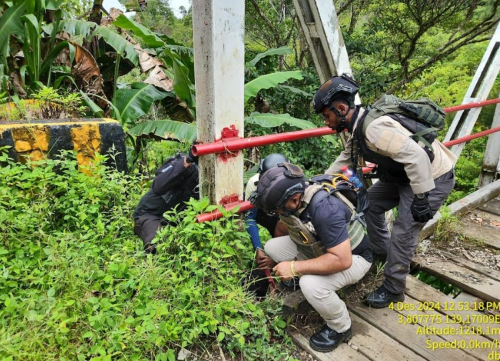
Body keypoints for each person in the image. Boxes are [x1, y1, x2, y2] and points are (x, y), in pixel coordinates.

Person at [313, 74, 456, 308]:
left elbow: (418, 157)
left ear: (340, 108)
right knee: (369, 204)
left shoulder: (374, 128)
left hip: (432, 176)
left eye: (327, 116)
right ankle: (383, 252)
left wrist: (421, 197)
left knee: (404, 230)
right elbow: (344, 160)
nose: (327, 123)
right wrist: (317, 183)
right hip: (404, 175)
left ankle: (393, 288)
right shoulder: (358, 127)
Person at [250, 162, 372, 352]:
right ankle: (306, 276)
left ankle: (340, 327)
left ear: (294, 200)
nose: (277, 214)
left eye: (277, 210)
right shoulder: (295, 200)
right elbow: (285, 227)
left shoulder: (325, 209)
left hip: (354, 258)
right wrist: (278, 261)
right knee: (272, 247)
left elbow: (342, 260)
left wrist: (292, 268)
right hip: (322, 248)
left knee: (310, 283)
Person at [133, 148, 199, 254]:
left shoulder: (207, 178)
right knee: (158, 244)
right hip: (149, 214)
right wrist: (187, 162)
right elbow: (158, 185)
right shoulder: (182, 162)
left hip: (174, 223)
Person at [245, 153, 289, 270]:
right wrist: (258, 248)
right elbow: (250, 217)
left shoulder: (292, 187)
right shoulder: (254, 183)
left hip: (286, 218)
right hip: (265, 213)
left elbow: (291, 225)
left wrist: (276, 258)